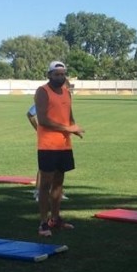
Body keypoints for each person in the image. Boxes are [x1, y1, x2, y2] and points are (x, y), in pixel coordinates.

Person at [35, 61, 83, 237]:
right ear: (49, 75)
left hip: (64, 145)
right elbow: (43, 120)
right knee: (45, 185)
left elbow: (69, 117)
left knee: (58, 184)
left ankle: (55, 219)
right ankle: (43, 223)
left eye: (63, 74)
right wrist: (67, 128)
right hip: (48, 145)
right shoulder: (42, 91)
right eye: (57, 74)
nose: (60, 77)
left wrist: (74, 128)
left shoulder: (66, 92)